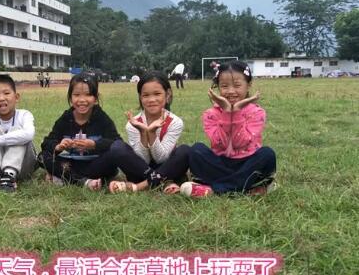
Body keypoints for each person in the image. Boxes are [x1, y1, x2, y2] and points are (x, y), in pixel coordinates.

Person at [182, 61, 276, 197]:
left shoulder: (257, 112)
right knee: (196, 150)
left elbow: (240, 143)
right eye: (224, 86)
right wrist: (227, 111)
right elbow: (220, 143)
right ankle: (243, 187)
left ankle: (216, 189)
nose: (231, 91)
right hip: (220, 163)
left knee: (267, 154)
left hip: (248, 163)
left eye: (237, 85)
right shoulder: (210, 114)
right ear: (218, 87)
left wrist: (236, 111)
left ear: (248, 85)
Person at [39, 74, 143, 190]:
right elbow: (47, 143)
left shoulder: (101, 118)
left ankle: (65, 178)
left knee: (113, 158)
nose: (82, 100)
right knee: (42, 157)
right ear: (70, 97)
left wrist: (94, 145)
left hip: (96, 165)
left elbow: (117, 142)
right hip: (72, 165)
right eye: (76, 95)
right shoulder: (66, 118)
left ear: (95, 98)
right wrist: (59, 146)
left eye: (88, 95)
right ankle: (83, 181)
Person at [109, 72, 190, 194]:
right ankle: (165, 182)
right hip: (141, 171)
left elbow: (160, 158)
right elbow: (143, 160)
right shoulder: (134, 124)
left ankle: (140, 186)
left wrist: (152, 133)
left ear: (168, 94)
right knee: (117, 147)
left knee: (185, 151)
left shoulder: (175, 122)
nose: (151, 100)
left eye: (157, 94)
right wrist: (143, 132)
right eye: (145, 95)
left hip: (166, 165)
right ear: (140, 97)